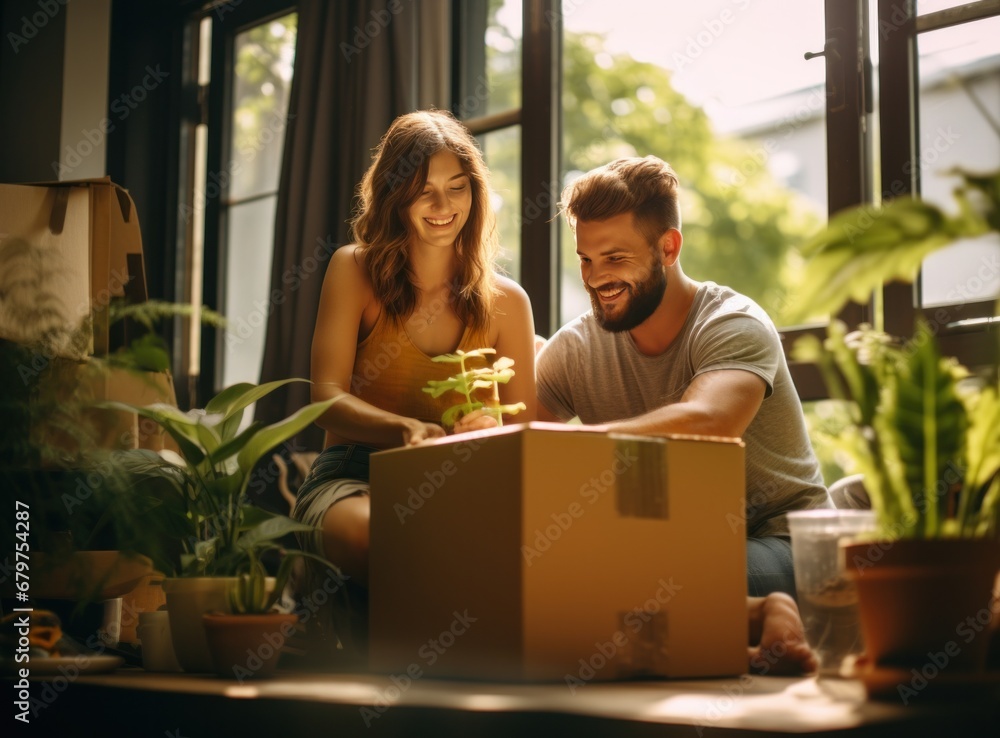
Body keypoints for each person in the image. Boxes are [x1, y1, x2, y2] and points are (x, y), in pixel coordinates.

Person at [291, 110, 537, 652]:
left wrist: (488, 427)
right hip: (352, 477)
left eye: (457, 189)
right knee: (382, 535)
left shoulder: (508, 303)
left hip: (461, 490)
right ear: (393, 196)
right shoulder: (353, 270)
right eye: (424, 191)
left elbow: (526, 433)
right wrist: (404, 429)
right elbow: (324, 399)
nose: (444, 207)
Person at [535, 155, 833, 599]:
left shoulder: (733, 323)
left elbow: (708, 424)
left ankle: (767, 617)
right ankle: (762, 628)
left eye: (615, 258)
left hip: (789, 545)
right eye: (586, 260)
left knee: (635, 575)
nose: (596, 279)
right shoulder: (578, 347)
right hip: (672, 545)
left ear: (668, 248)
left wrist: (569, 448)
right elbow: (520, 439)